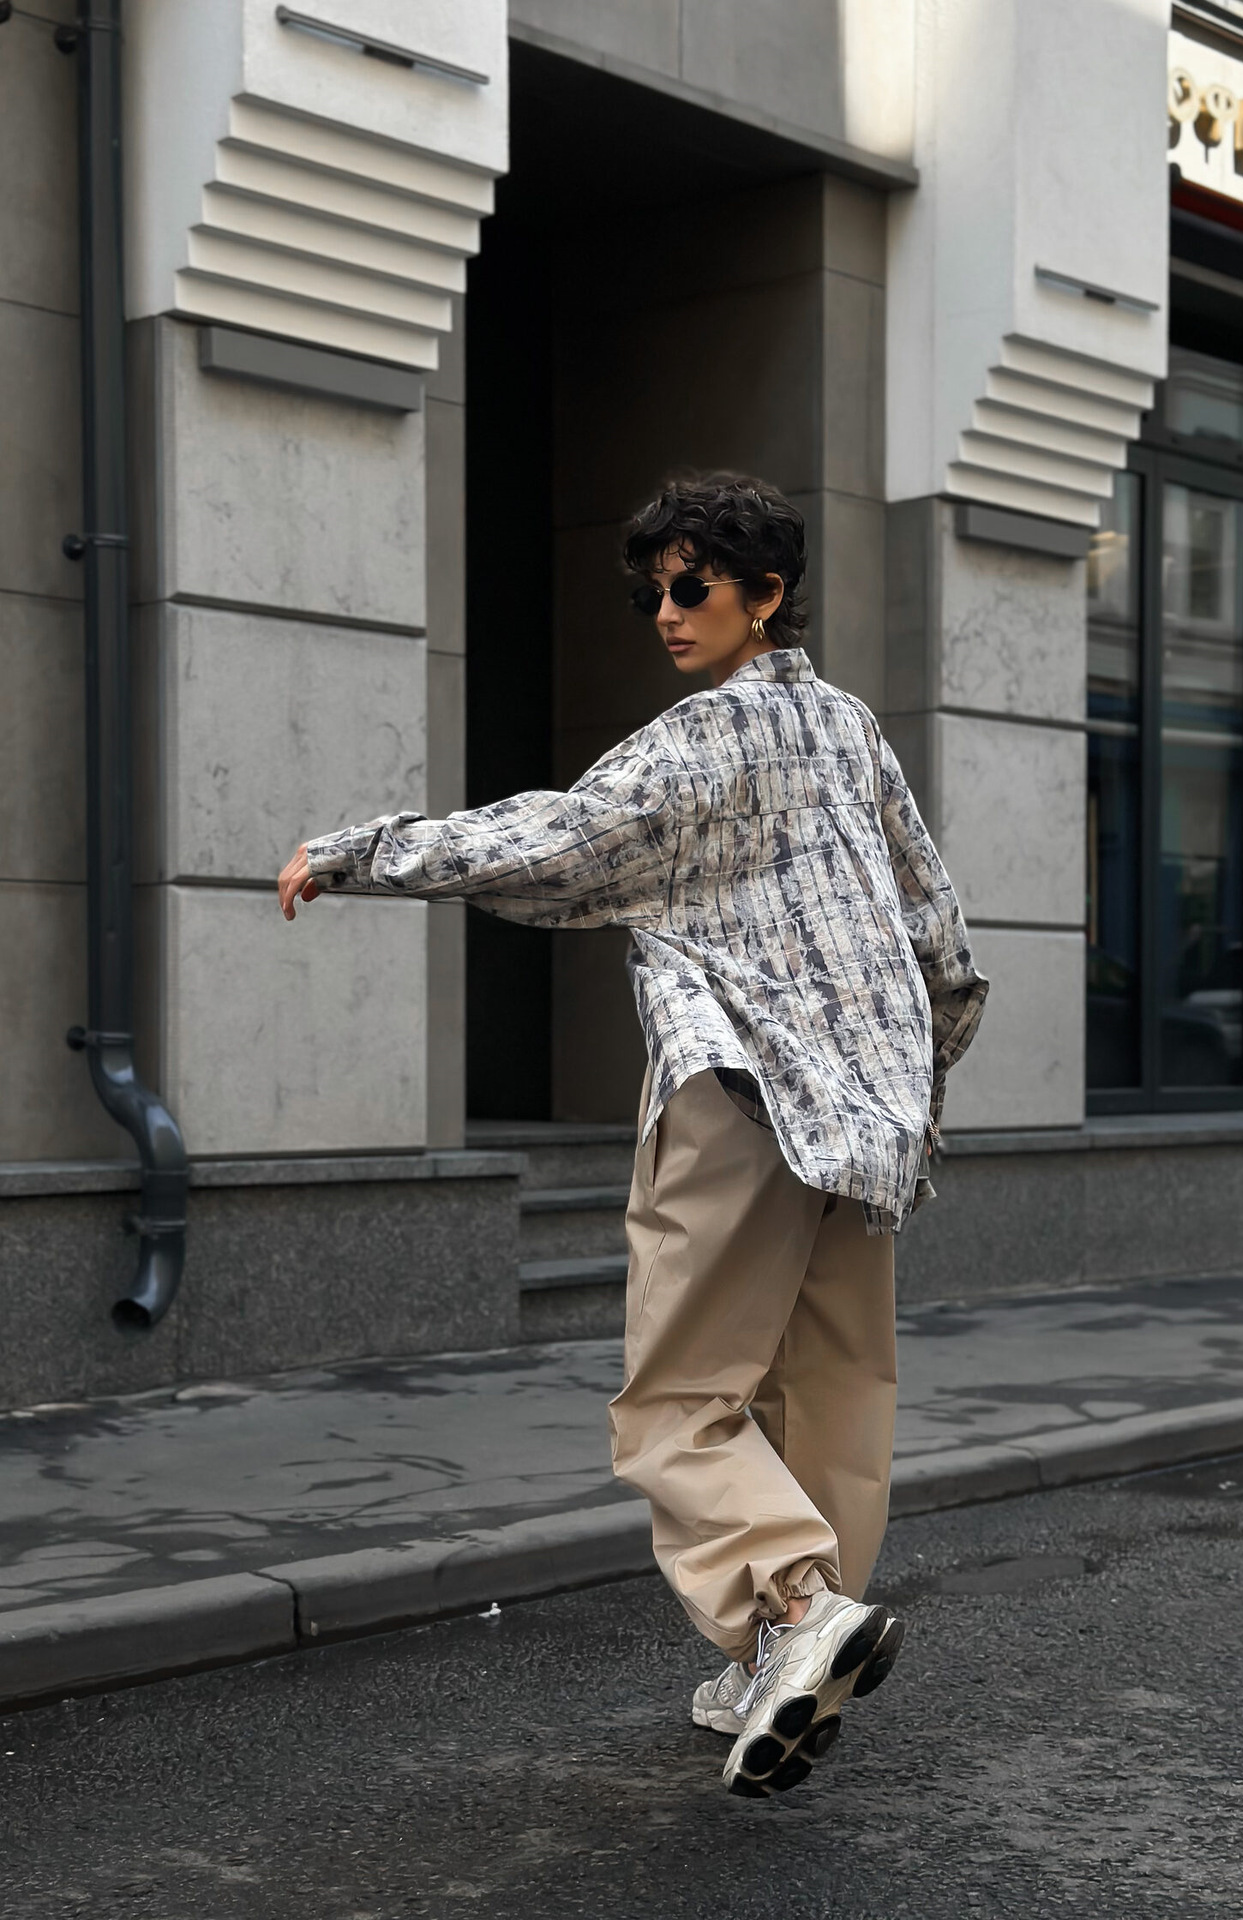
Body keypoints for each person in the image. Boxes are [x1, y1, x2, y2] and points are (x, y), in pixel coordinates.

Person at [277, 473, 988, 1797]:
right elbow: (938, 929)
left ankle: (793, 1612)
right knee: (831, 1395)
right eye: (654, 590)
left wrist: (362, 852)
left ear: (765, 594)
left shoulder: (701, 737)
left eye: (692, 586)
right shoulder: (849, 728)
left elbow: (553, 844)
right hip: (868, 1126)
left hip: (741, 1093)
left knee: (676, 1403)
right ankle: (789, 1655)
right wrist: (911, 1076)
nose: (666, 612)